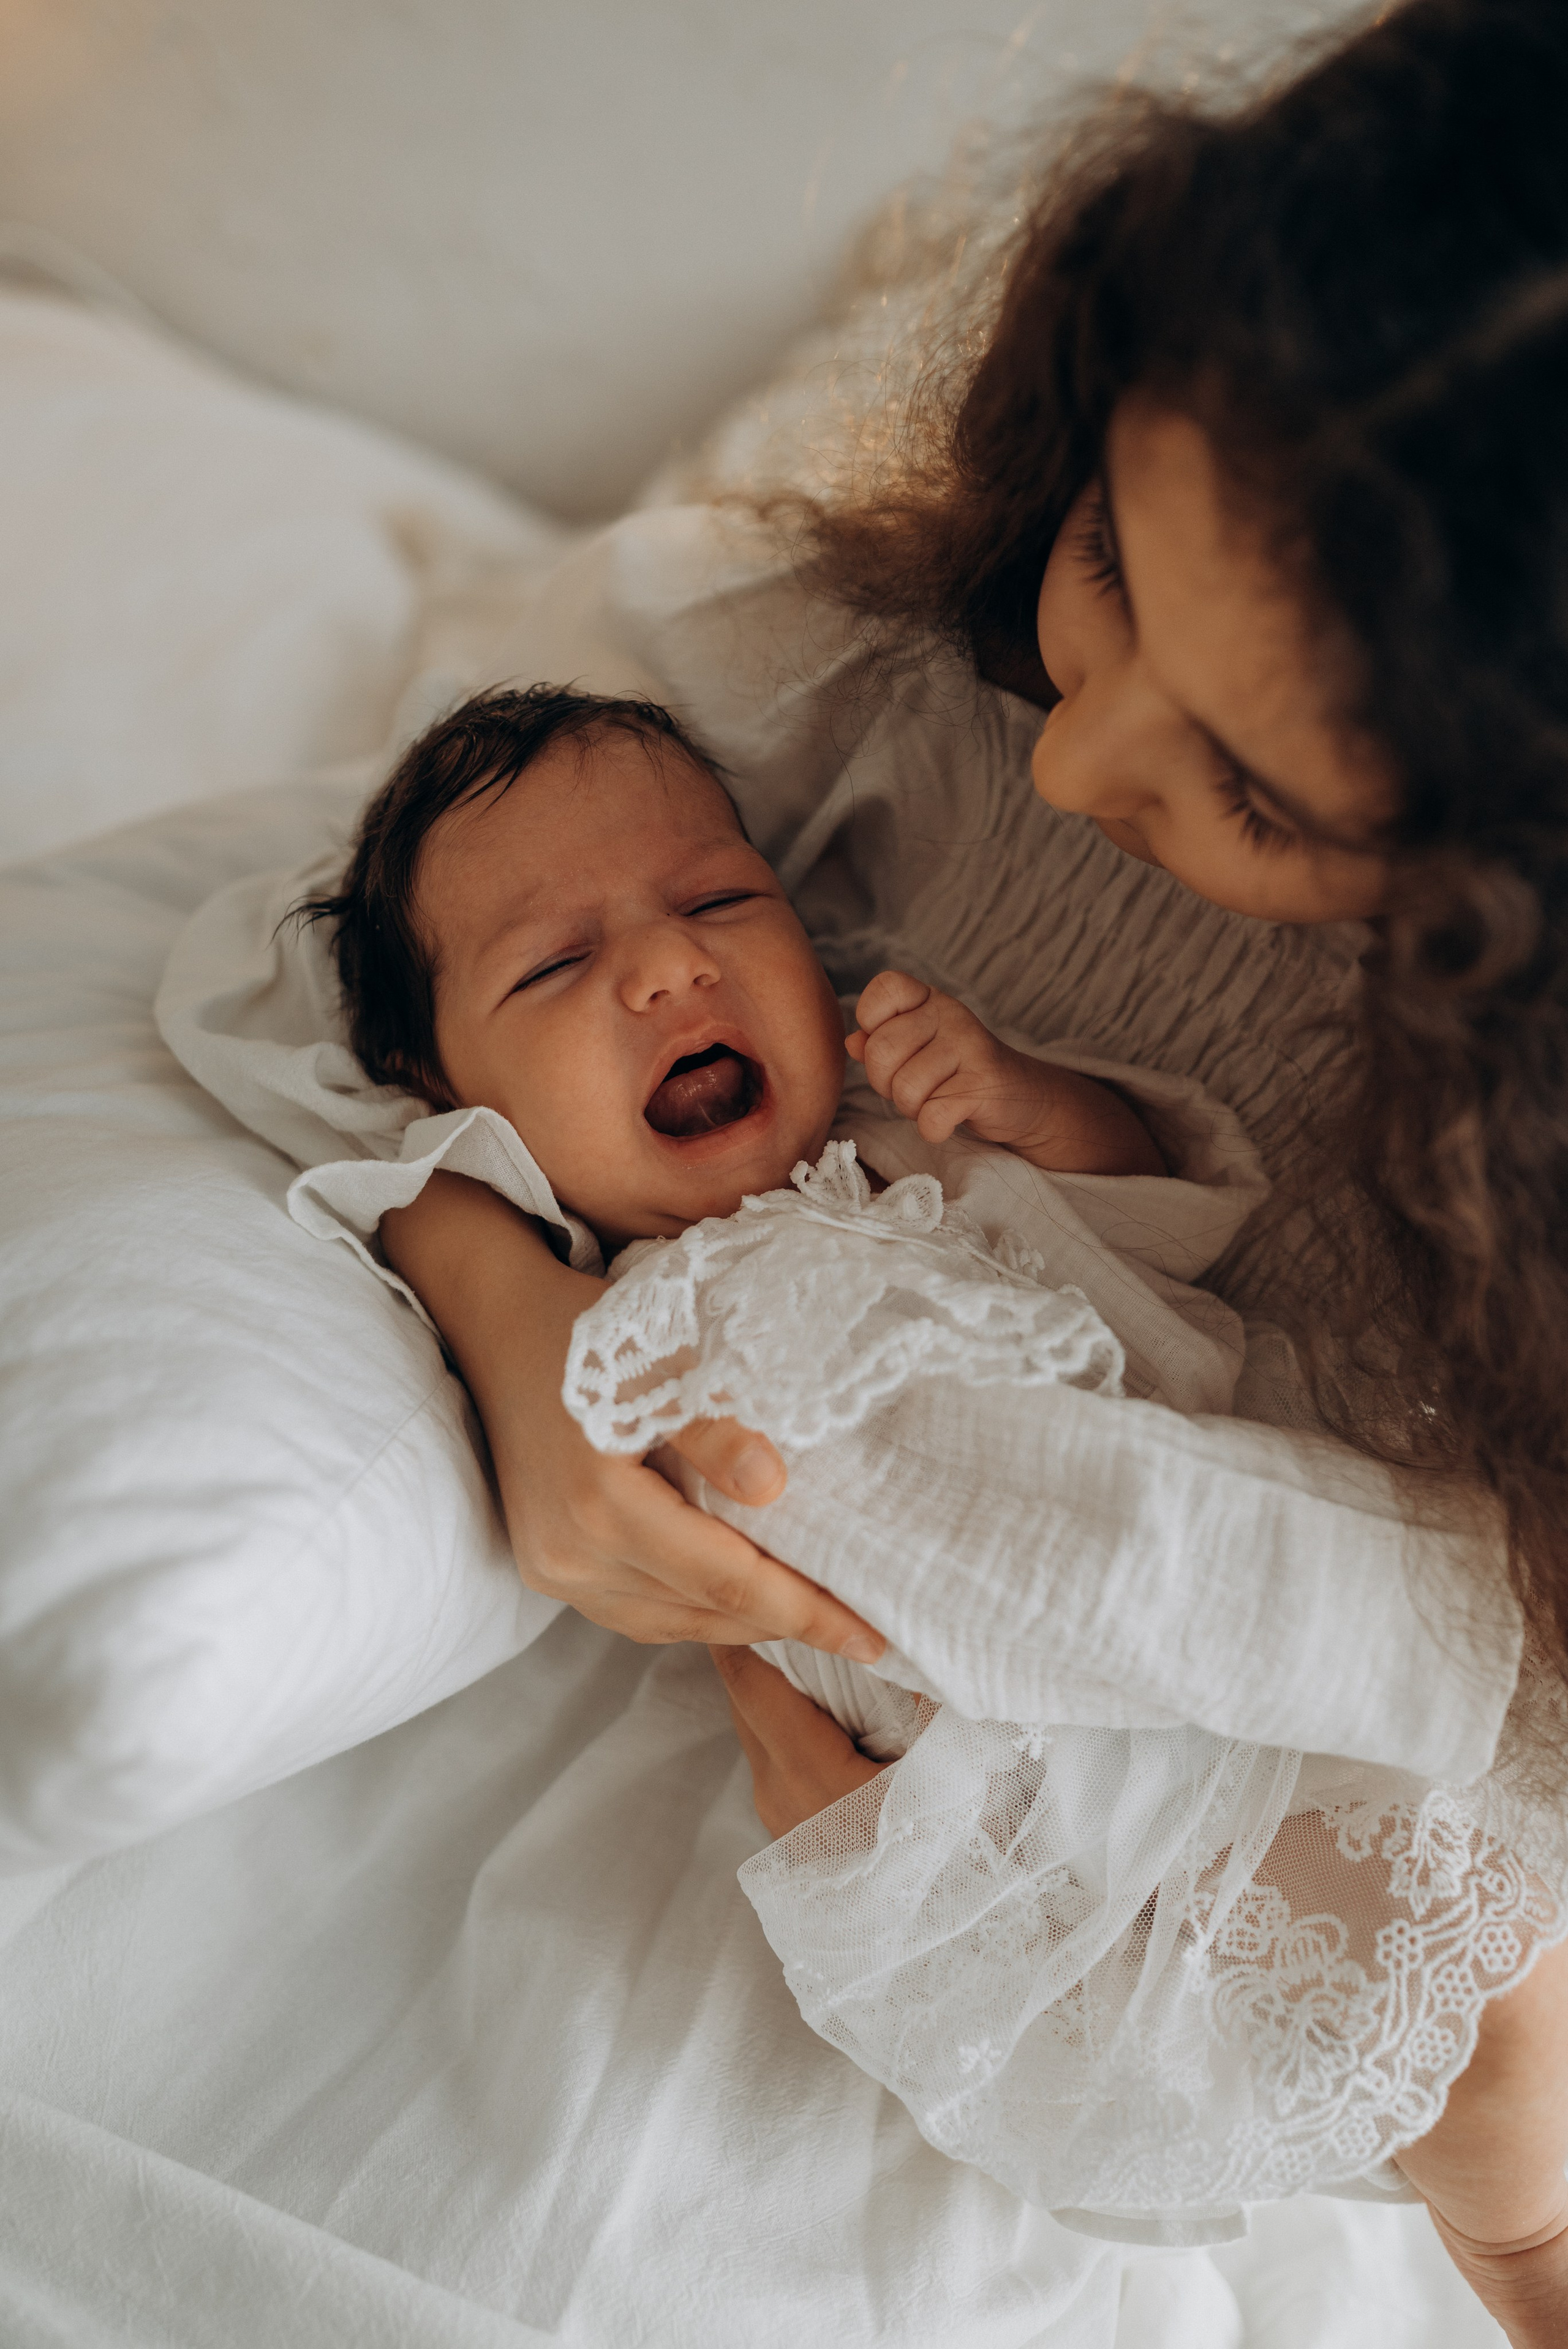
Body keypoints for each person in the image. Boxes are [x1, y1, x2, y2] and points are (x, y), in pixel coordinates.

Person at [159, 0, 1568, 2336]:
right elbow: (312, 947)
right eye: (1112, 559)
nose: (1087, 747)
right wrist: (509, 1312)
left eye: (1262, 792)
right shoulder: (889, 678)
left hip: (1282, 1732)